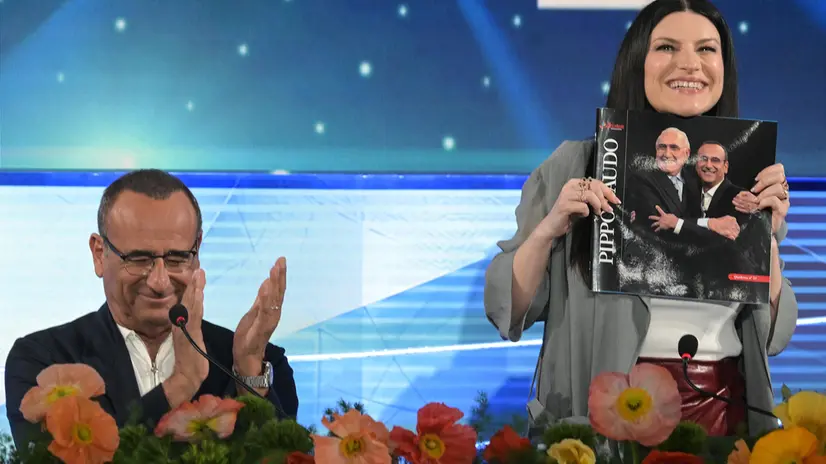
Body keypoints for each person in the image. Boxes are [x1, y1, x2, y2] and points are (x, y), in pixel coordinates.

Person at [484, 0, 796, 438]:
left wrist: (768, 237)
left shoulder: (742, 178)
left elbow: (773, 337)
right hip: (604, 416)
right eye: (667, 47)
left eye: (707, 50)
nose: (690, 63)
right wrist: (550, 227)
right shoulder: (575, 164)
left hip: (723, 416)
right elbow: (509, 310)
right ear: (637, 63)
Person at [4, 169, 299, 448]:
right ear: (99, 254)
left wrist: (247, 375)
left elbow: (288, 457)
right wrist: (179, 385)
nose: (159, 281)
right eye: (139, 259)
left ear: (197, 251)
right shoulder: (44, 363)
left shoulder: (255, 363)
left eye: (176, 258)